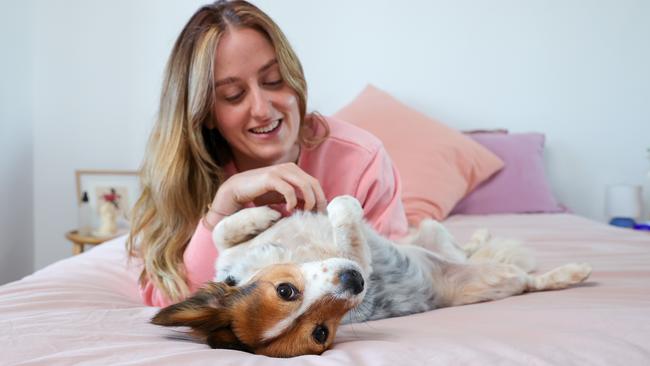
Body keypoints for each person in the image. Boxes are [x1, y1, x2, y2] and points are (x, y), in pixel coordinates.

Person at [127, 0, 408, 307]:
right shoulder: (186, 175)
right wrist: (223, 205)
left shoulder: (361, 161)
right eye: (233, 95)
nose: (262, 109)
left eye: (273, 80)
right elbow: (168, 301)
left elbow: (396, 286)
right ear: (205, 112)